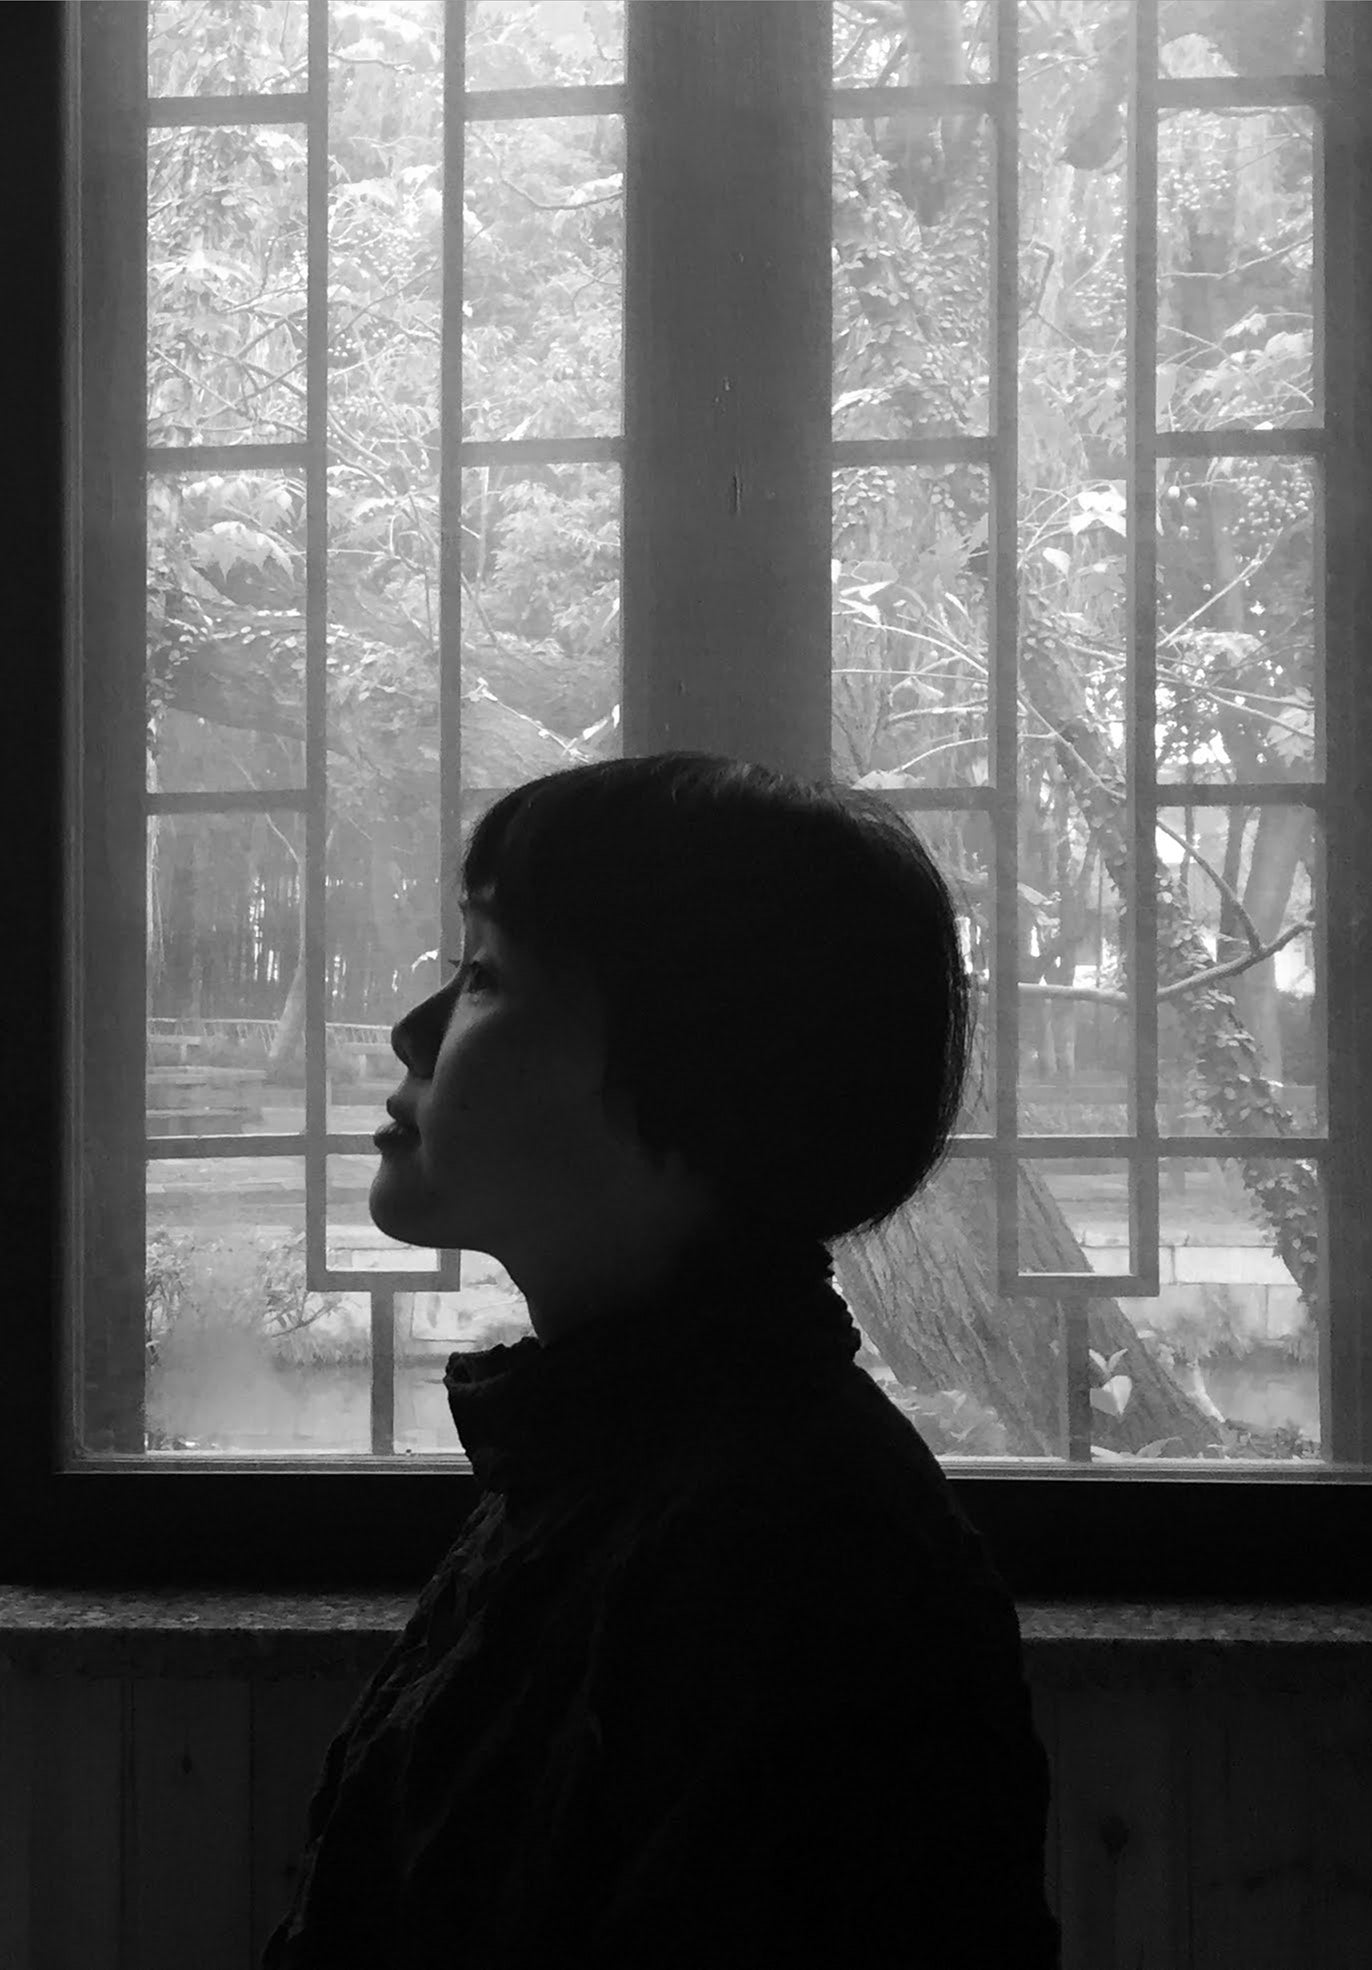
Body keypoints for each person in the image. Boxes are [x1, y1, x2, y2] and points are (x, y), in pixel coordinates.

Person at [262, 751, 1061, 1969]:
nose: (412, 1029)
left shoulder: (786, 1556)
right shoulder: (615, 1457)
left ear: (690, 1074)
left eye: (485, 973)